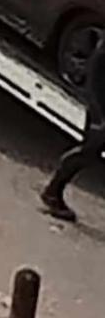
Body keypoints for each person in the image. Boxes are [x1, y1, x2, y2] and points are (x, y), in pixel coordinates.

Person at [41, 36, 105, 222]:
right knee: (93, 145)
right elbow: (97, 75)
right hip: (101, 90)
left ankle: (53, 192)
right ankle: (53, 192)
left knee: (93, 146)